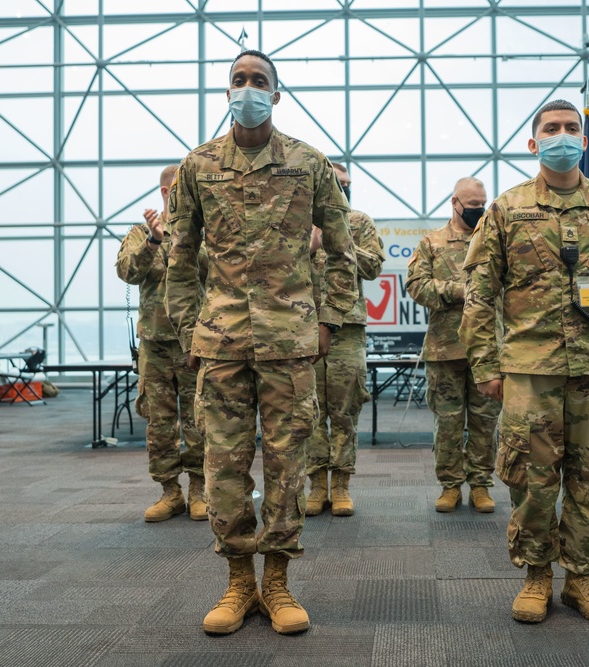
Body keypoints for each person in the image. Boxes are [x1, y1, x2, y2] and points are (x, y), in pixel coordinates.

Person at [163, 50, 358, 637]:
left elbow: (343, 250)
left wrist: (329, 321)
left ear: (276, 95)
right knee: (223, 465)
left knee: (287, 464)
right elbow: (179, 258)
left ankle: (277, 581)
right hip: (220, 344)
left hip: (290, 342)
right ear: (227, 93)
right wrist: (187, 329)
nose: (248, 89)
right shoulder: (197, 166)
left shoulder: (309, 162)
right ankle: (238, 581)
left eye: (259, 81)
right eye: (238, 80)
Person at [459, 99, 589, 625]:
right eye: (552, 128)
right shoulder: (507, 209)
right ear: (533, 142)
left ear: (584, 143)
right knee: (532, 479)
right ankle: (535, 574)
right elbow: (479, 293)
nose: (563, 135)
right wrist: (486, 366)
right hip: (530, 372)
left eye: (572, 128)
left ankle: (583, 578)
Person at [116, 165, 208, 523]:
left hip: (192, 342)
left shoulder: (200, 233)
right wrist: (155, 240)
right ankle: (171, 492)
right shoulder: (140, 233)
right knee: (159, 422)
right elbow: (127, 271)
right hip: (154, 345)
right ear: (167, 193)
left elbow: (212, 271)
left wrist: (184, 239)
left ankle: (200, 490)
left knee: (199, 419)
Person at [406, 177, 500, 514]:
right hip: (445, 348)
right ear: (455, 203)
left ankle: (481, 485)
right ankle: (449, 485)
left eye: (483, 204)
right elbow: (416, 286)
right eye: (472, 205)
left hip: (487, 349)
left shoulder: (493, 241)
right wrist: (460, 291)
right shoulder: (432, 243)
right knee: (447, 422)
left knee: (485, 421)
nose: (478, 210)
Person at [305, 163, 385, 517]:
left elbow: (373, 267)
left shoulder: (360, 222)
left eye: (347, 184)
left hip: (346, 329)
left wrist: (338, 239)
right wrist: (306, 247)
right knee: (307, 411)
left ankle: (341, 485)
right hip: (301, 328)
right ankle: (316, 484)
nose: (344, 189)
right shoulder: (295, 221)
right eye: (338, 183)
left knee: (344, 409)